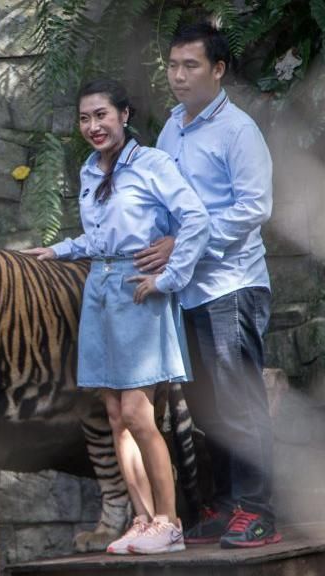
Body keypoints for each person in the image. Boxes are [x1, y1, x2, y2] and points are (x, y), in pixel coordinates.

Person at [24, 79, 209, 555]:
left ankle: (169, 523)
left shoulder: (152, 164)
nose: (93, 126)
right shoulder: (90, 169)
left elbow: (196, 220)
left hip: (138, 289)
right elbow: (100, 238)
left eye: (101, 115)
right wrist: (60, 249)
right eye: (85, 118)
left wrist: (169, 279)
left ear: (124, 115)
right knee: (114, 416)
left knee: (137, 413)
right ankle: (142, 521)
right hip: (99, 289)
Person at [135, 22, 279, 549]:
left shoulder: (238, 131)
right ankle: (226, 505)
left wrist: (186, 242)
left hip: (230, 285)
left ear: (218, 70)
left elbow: (254, 208)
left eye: (190, 66)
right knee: (207, 408)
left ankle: (258, 511)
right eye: (173, 65)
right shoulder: (173, 128)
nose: (178, 76)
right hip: (186, 289)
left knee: (239, 402)